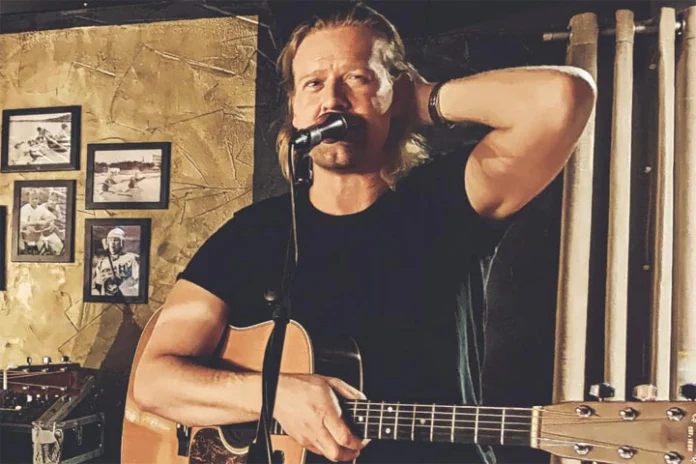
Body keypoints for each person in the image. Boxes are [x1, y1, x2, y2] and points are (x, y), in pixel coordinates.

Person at [132, 4, 595, 464]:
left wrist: (421, 100)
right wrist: (274, 396)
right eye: (313, 83)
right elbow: (154, 381)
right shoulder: (251, 235)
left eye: (357, 78)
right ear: (294, 109)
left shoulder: (449, 201)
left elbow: (564, 97)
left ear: (395, 92)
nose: (332, 100)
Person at [92, 227, 140, 297]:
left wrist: (125, 287)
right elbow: (94, 288)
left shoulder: (132, 258)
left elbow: (139, 283)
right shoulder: (102, 263)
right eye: (110, 240)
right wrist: (99, 281)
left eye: (116, 240)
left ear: (121, 243)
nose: (112, 243)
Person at [19, 189, 58, 254]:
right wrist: (36, 223)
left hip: (37, 233)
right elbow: (23, 223)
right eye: (32, 199)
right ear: (29, 199)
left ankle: (51, 251)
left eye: (36, 199)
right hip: (25, 233)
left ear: (39, 200)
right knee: (31, 244)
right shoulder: (24, 209)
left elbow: (52, 217)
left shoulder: (40, 209)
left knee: (51, 243)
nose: (34, 201)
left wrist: (50, 222)